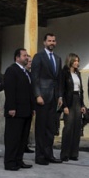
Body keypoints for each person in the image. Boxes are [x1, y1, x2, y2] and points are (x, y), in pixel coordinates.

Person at [31, 33, 63, 165]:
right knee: (41, 128)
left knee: (51, 128)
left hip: (54, 98)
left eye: (54, 41)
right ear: (44, 42)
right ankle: (40, 156)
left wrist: (60, 95)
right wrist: (37, 95)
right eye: (49, 41)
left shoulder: (58, 58)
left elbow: (59, 79)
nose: (52, 43)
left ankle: (49, 154)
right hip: (42, 98)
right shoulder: (38, 57)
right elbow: (35, 77)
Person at [3, 48, 35, 171]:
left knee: (22, 138)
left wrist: (32, 108)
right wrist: (11, 107)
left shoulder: (26, 72)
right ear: (17, 58)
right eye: (24, 55)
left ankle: (18, 160)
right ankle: (10, 162)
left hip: (26, 111)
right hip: (15, 111)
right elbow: (10, 90)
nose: (26, 57)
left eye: (27, 55)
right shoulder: (12, 70)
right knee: (13, 138)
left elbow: (29, 92)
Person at [60, 53, 86, 162]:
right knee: (68, 127)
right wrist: (64, 106)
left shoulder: (78, 74)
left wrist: (83, 105)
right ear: (70, 61)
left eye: (78, 61)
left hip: (77, 100)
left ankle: (74, 153)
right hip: (68, 101)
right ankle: (64, 154)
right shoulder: (64, 73)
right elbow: (62, 90)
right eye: (75, 61)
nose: (77, 63)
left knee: (77, 127)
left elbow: (81, 90)